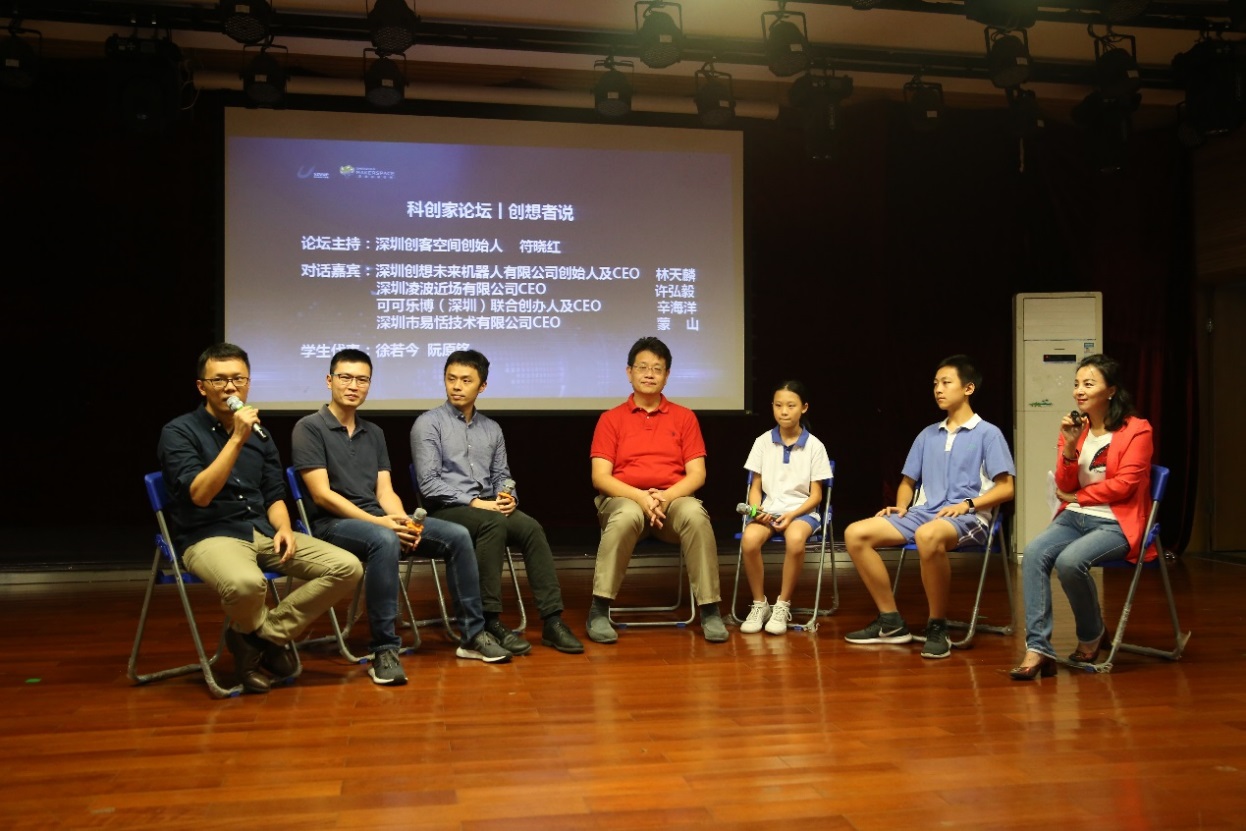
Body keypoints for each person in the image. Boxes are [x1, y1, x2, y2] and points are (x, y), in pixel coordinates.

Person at [291, 349, 512, 683]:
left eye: (362, 379)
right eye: (345, 377)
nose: (353, 385)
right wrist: (381, 523)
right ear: (329, 380)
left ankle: (472, 635)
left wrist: (403, 521)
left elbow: (385, 492)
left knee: (456, 535)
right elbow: (323, 495)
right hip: (330, 524)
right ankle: (384, 648)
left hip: (378, 520)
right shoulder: (309, 428)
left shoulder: (374, 432)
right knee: (384, 540)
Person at [157, 343, 363, 694]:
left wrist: (283, 528)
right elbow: (200, 495)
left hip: (262, 530)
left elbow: (273, 494)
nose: (230, 387)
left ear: (249, 383)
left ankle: (257, 638)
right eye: (220, 380)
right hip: (209, 534)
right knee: (248, 584)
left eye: (238, 379)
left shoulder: (260, 435)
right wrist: (237, 438)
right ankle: (260, 644)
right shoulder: (179, 432)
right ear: (202, 386)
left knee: (347, 568)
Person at [410, 349, 584, 655]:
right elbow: (429, 483)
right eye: (451, 379)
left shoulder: (491, 428)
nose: (456, 386)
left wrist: (508, 498)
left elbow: (503, 475)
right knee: (491, 524)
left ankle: (552, 620)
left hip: (489, 506)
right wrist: (475, 503)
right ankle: (489, 619)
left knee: (531, 528)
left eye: (466, 380)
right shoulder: (428, 424)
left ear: (483, 386)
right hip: (447, 510)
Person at [842, 354, 1016, 659]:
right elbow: (907, 482)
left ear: (968, 388)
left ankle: (937, 625)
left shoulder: (988, 434)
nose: (938, 389)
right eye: (935, 383)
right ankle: (890, 621)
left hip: (969, 517)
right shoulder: (927, 435)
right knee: (855, 533)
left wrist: (968, 504)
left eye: (946, 383)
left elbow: (1007, 488)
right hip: (923, 513)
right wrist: (901, 506)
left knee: (928, 535)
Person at [1010, 353, 1154, 681]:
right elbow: (1064, 484)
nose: (1079, 391)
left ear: (1111, 390)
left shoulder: (1138, 430)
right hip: (1074, 517)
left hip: (1116, 521)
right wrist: (1069, 447)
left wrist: (1080, 497)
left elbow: (1126, 485)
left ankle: (1091, 634)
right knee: (1033, 554)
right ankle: (1038, 649)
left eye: (1088, 384)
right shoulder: (1076, 429)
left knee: (1070, 562)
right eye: (1077, 384)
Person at [587, 336, 728, 644]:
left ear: (667, 375)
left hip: (671, 502)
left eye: (657, 369)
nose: (649, 374)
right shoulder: (610, 419)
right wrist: (640, 497)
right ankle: (599, 609)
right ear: (629, 372)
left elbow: (698, 474)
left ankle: (710, 609)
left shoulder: (685, 417)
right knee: (625, 515)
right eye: (642, 367)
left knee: (695, 514)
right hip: (624, 499)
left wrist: (664, 497)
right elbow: (600, 477)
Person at [737, 380, 833, 636]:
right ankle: (760, 604)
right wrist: (756, 510)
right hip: (769, 511)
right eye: (778, 405)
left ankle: (782, 604)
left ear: (804, 408)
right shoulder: (762, 442)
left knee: (795, 540)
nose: (784, 411)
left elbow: (816, 496)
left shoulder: (815, 446)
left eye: (791, 405)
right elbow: (755, 487)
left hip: (802, 512)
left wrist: (792, 515)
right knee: (749, 540)